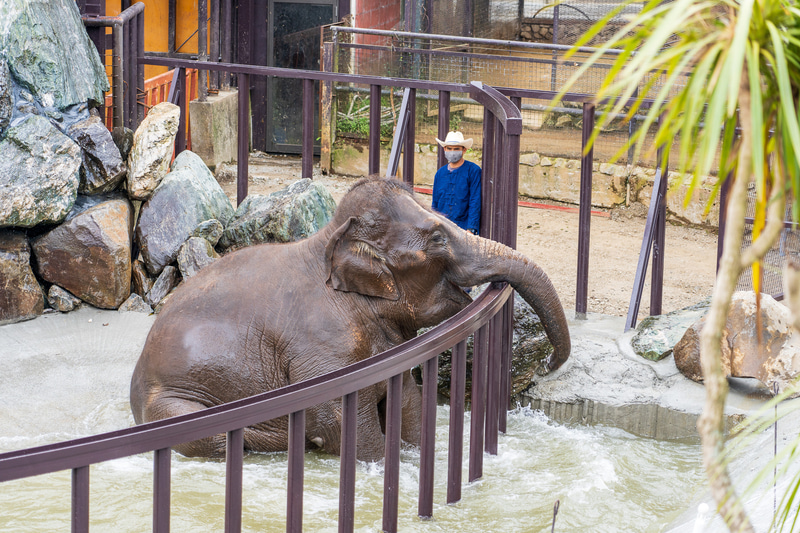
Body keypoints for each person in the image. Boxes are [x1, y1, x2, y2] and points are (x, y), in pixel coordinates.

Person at [431, 131, 482, 236]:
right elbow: (435, 203)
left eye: (456, 149)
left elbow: (475, 201)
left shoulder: (473, 171)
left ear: (464, 150)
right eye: (449, 148)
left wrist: (471, 229)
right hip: (442, 228)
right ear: (444, 149)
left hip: (463, 229)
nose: (452, 152)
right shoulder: (440, 174)